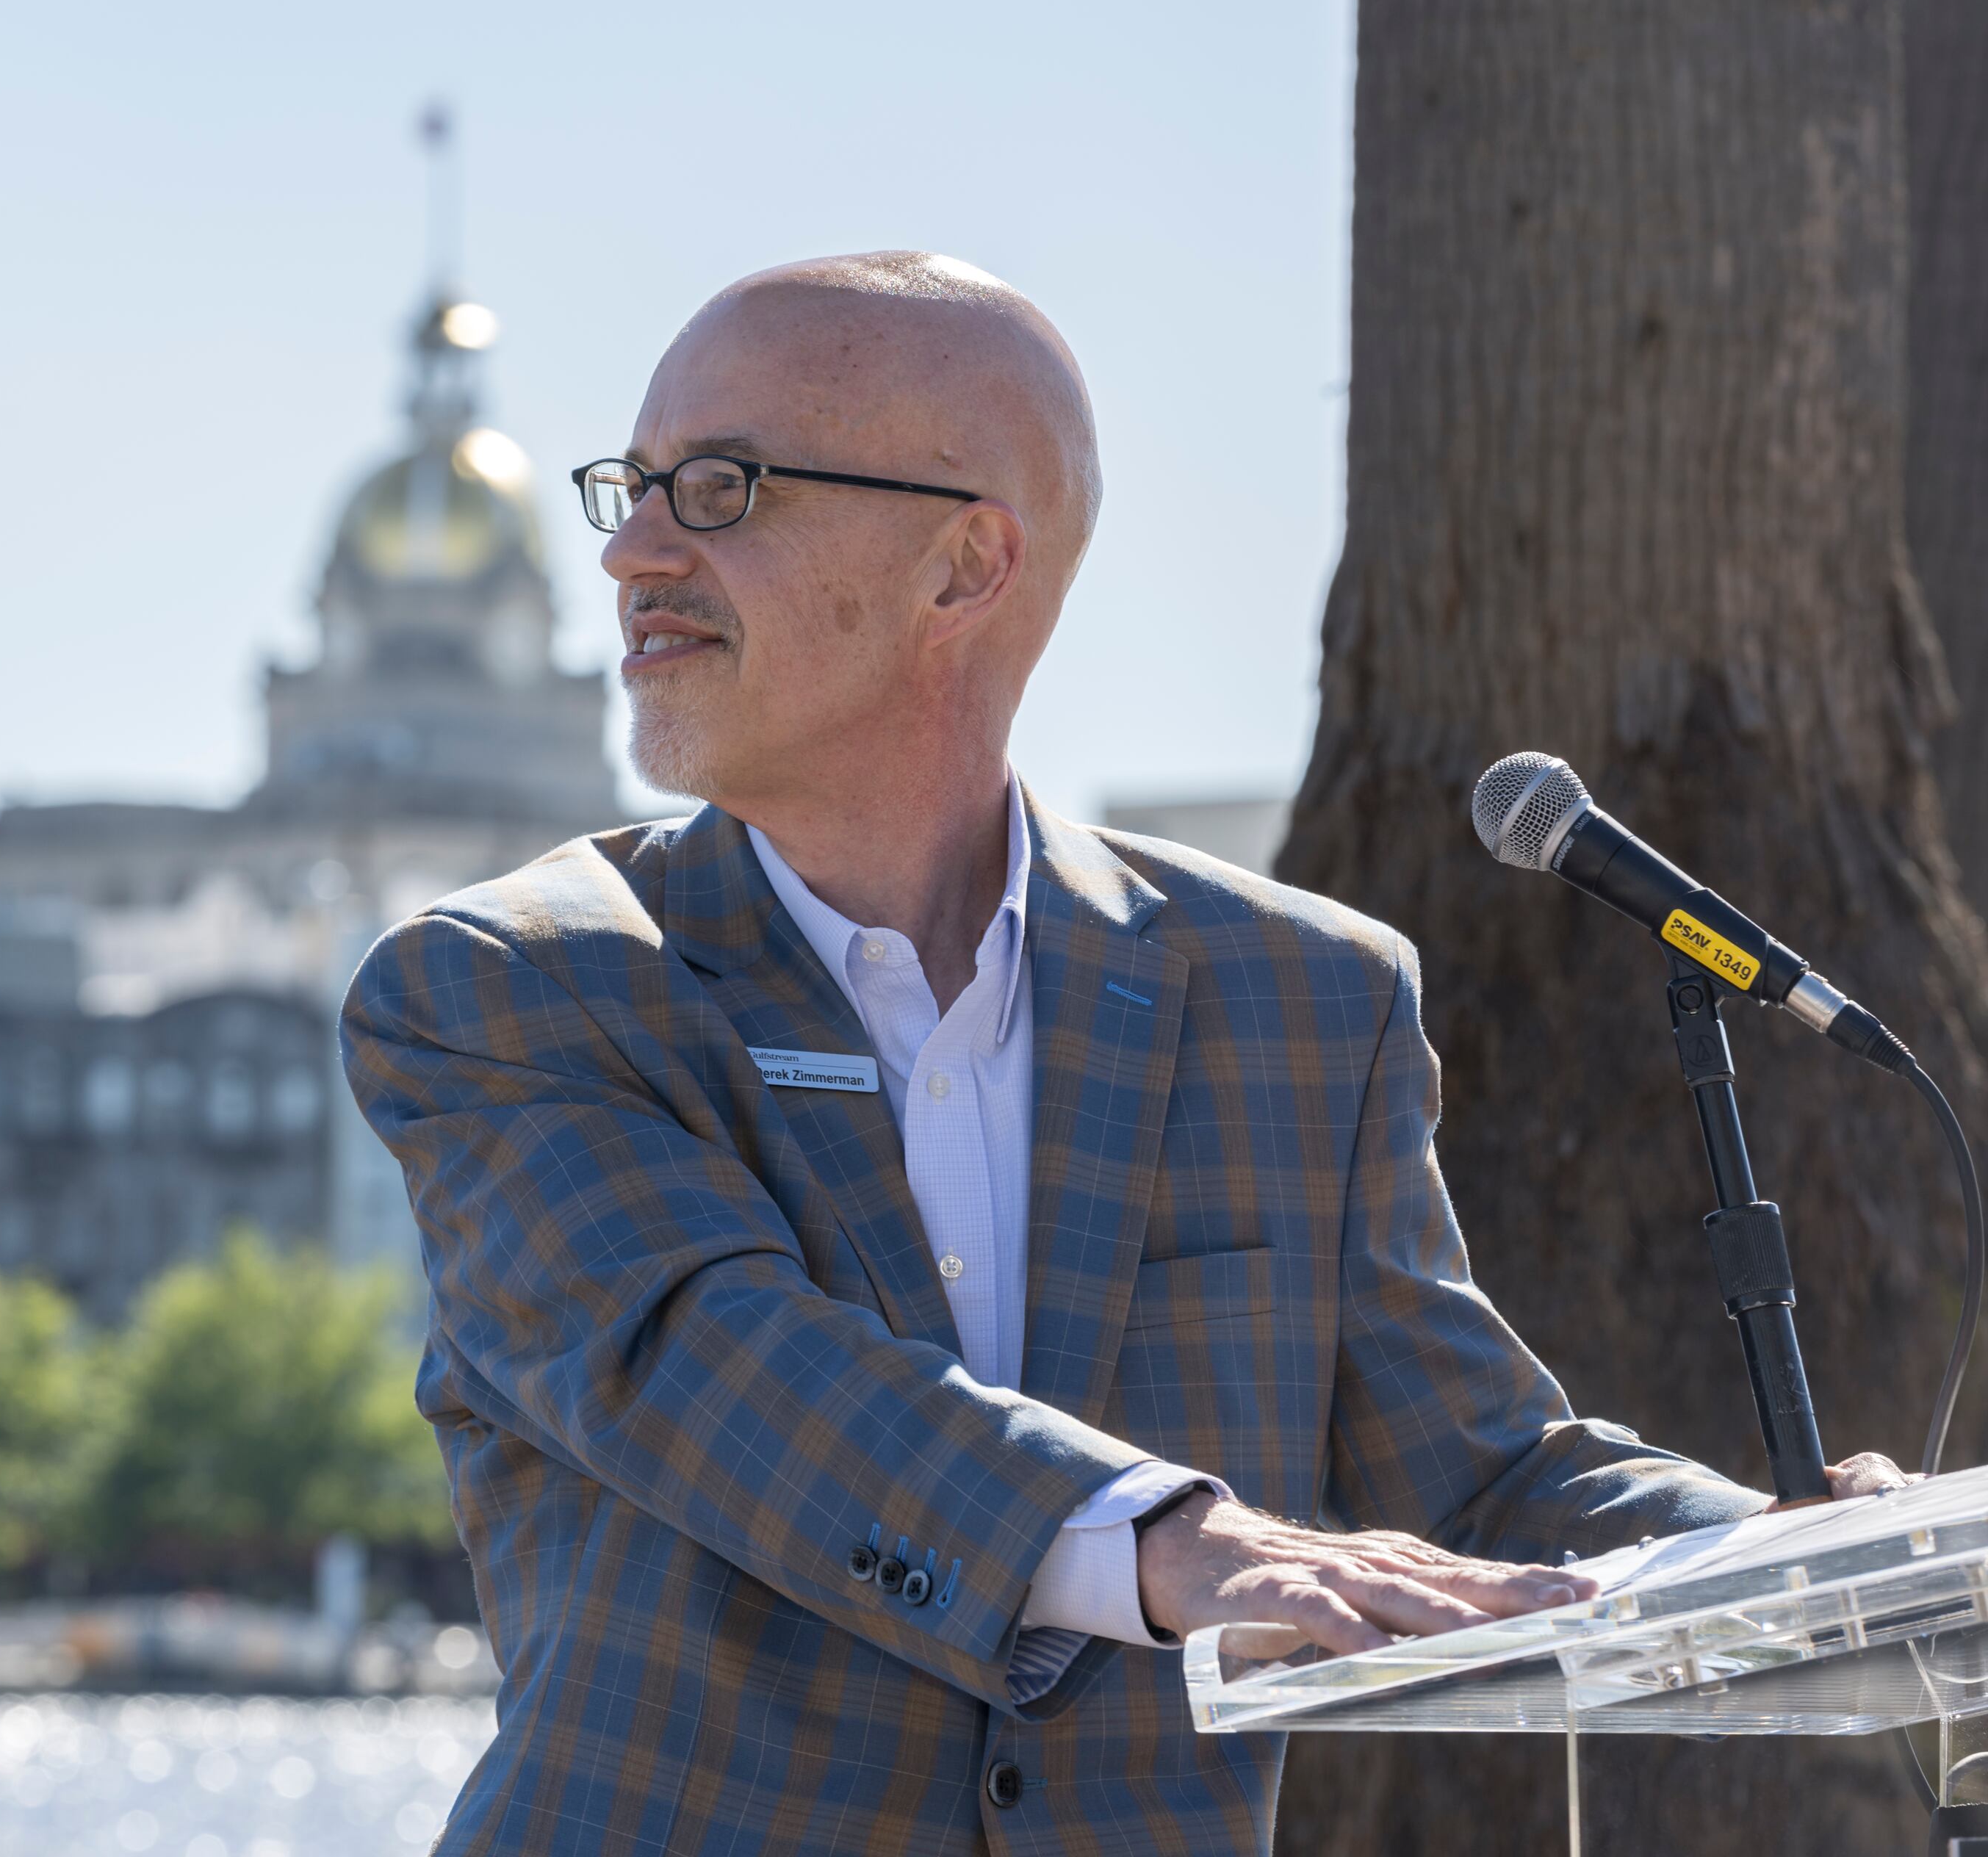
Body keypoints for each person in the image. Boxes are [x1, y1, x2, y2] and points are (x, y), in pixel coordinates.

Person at [339, 252, 1904, 1856]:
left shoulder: (1302, 998)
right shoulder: (504, 989)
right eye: (635, 484)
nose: (630, 551)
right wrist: (1178, 1538)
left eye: (720, 488)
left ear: (968, 565)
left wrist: (1818, 1562)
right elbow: (722, 1361)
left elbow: (1485, 1481)